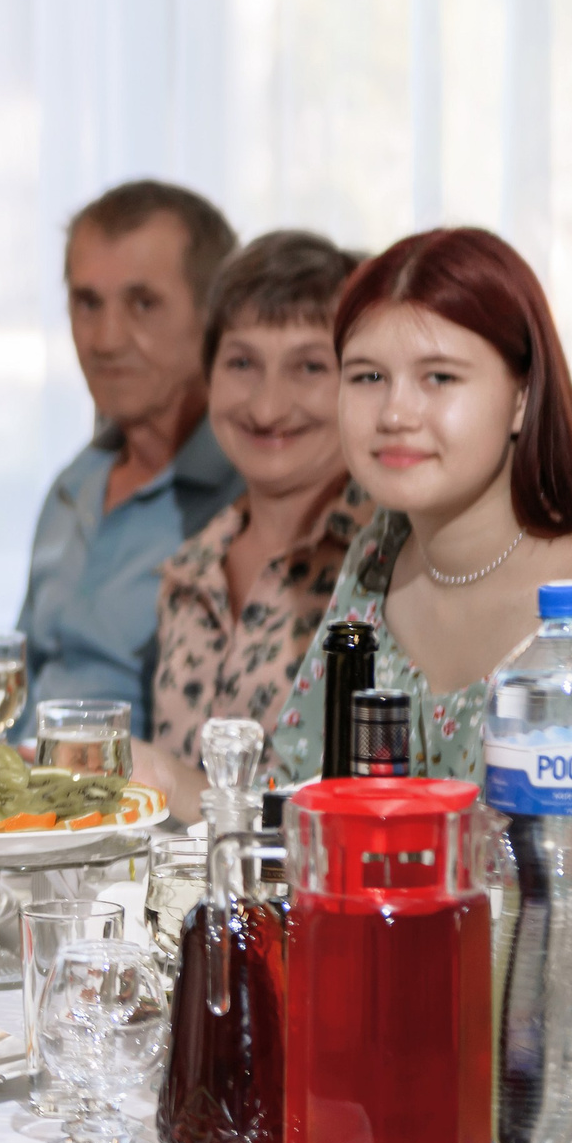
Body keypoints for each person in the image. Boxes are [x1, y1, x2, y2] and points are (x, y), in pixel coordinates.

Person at [271, 226, 572, 781]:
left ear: (522, 398)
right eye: (368, 376)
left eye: (439, 377)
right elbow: (299, 797)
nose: (394, 413)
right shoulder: (375, 563)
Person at [132, 231, 372, 819]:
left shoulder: (390, 567)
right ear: (207, 375)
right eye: (242, 363)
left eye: (309, 366)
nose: (267, 406)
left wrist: (167, 780)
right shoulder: (188, 569)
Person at [17, 180, 244, 736]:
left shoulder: (247, 501)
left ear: (212, 318)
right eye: (87, 303)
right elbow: (18, 687)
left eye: (143, 304)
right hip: (19, 806)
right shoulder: (74, 484)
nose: (106, 338)